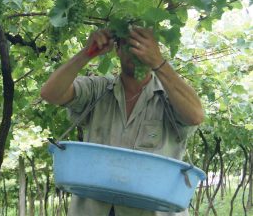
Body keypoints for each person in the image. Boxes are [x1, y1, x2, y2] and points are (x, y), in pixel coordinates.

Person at [40, 26, 204, 216]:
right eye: (129, 44)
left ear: (154, 49)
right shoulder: (98, 90)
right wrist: (86, 54)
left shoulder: (171, 97)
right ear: (117, 49)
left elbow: (196, 116)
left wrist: (159, 63)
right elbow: (50, 94)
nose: (135, 52)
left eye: (142, 45)